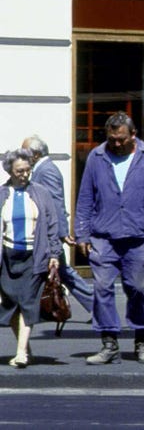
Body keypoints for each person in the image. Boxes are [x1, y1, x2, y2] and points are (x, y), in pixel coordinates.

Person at [75, 111, 144, 364]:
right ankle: (109, 343)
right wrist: (82, 234)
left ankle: (142, 340)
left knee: (140, 289)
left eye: (121, 139)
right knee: (101, 289)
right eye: (112, 139)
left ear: (133, 135)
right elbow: (85, 198)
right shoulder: (97, 157)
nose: (116, 144)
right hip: (103, 238)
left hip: (139, 237)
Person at [0, 149, 61, 368]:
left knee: (27, 302)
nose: (25, 174)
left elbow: (53, 224)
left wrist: (54, 253)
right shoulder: (2, 194)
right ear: (10, 171)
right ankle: (24, 347)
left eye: (27, 170)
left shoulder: (40, 193)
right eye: (20, 171)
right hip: (7, 258)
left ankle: (20, 354)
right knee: (12, 304)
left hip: (33, 257)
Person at [21, 135, 94, 314]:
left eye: (25, 153)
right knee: (58, 271)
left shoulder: (47, 171)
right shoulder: (40, 169)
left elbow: (55, 203)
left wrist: (61, 232)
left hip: (49, 233)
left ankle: (99, 308)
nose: (22, 157)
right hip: (43, 232)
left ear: (36, 154)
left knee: (63, 271)